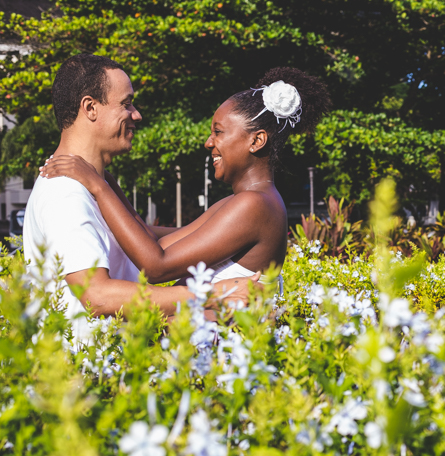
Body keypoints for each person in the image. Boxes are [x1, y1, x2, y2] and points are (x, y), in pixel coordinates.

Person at [24, 54, 257, 343]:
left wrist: (229, 233)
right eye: (126, 104)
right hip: (87, 379)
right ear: (90, 108)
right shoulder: (65, 191)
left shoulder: (96, 185)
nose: (137, 115)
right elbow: (96, 295)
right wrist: (211, 294)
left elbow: (145, 241)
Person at [40, 67, 330, 293]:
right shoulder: (241, 201)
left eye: (218, 132)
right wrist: (107, 181)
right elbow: (152, 239)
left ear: (256, 140)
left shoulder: (254, 206)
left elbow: (156, 265)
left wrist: (97, 186)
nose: (208, 142)